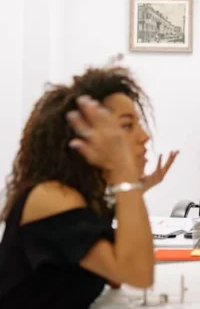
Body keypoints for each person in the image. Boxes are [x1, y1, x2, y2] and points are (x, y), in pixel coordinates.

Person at [0, 65, 179, 308]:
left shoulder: (88, 199)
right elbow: (138, 274)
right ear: (83, 139)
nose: (144, 137)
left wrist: (131, 188)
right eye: (127, 125)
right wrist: (125, 176)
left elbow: (115, 276)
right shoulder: (50, 197)